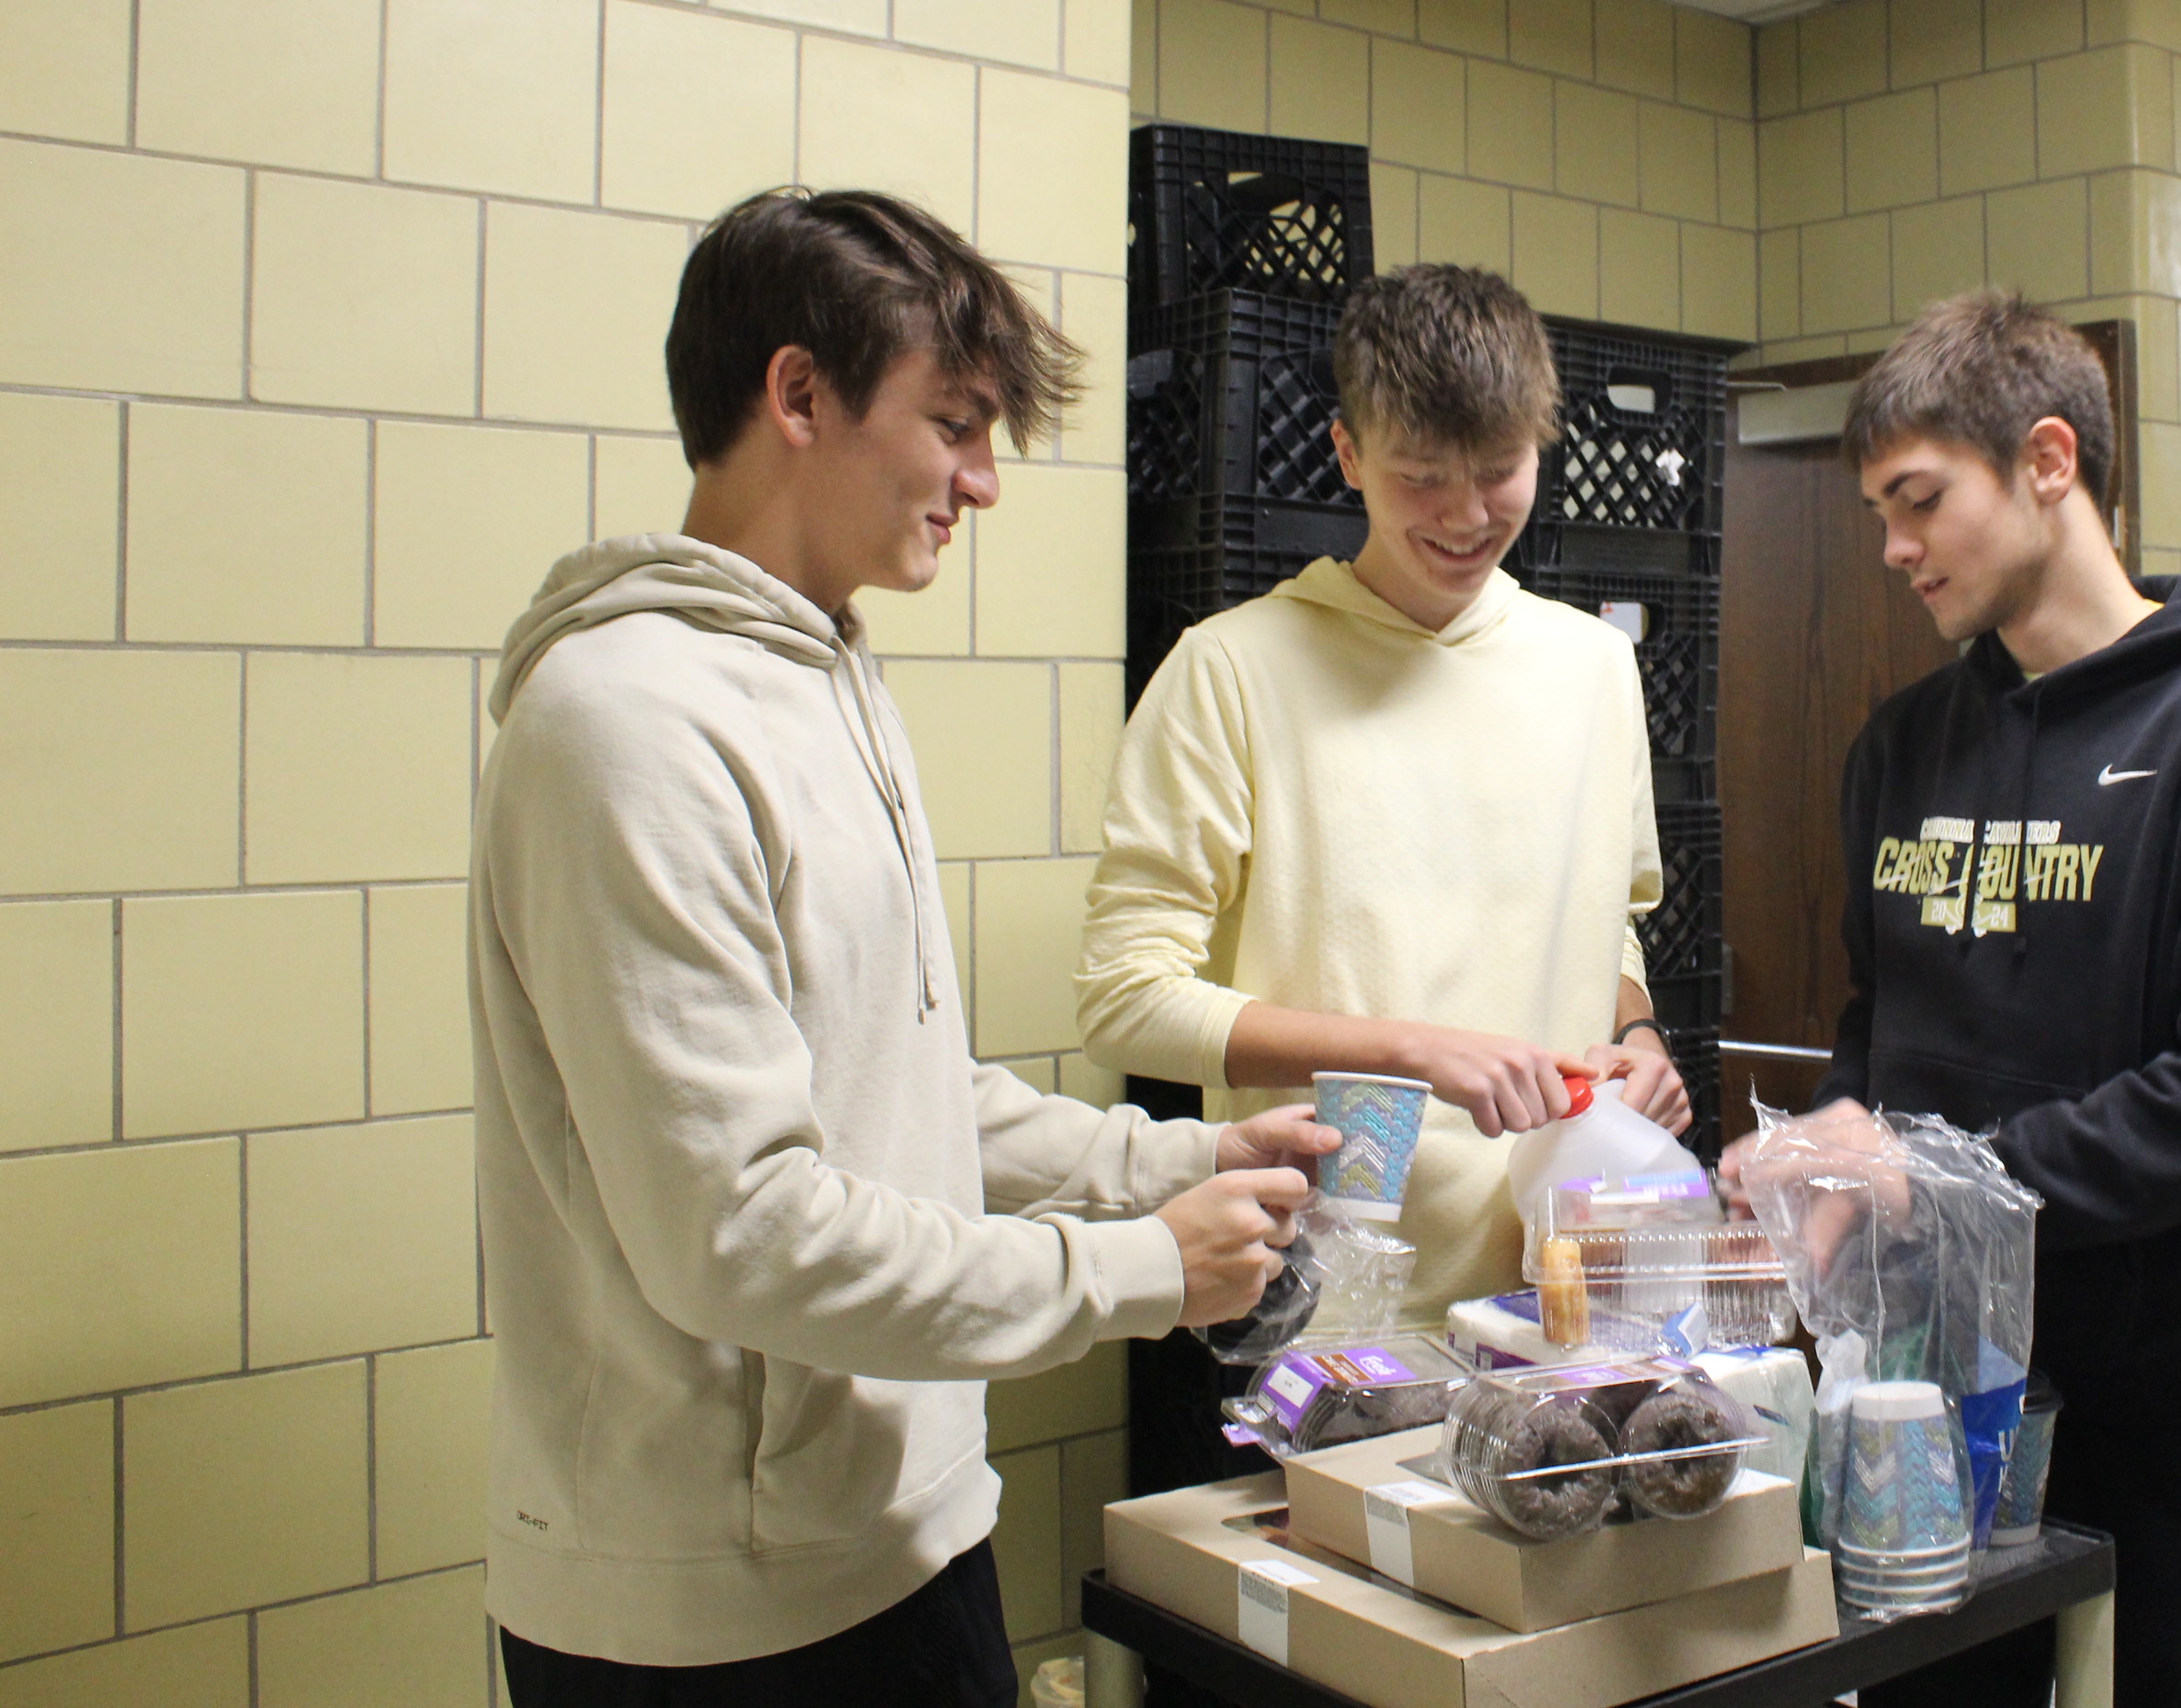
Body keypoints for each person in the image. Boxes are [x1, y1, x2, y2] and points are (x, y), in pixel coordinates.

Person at [472, 188, 1335, 1707]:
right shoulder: (623, 726)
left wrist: (1169, 1168)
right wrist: (1138, 1265)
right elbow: (738, 1224)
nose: (983, 481)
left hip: (908, 1530)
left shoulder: (832, 679)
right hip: (714, 1615)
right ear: (797, 393)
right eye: (956, 423)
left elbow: (911, 1092)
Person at [1735, 290, 2181, 1708]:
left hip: (2175, 1421)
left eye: (1920, 502)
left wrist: (1936, 1174)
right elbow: (1875, 1034)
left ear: (2050, 463)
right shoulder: (1899, 747)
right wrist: (1822, 1155)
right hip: (1928, 1418)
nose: (1892, 551)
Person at [1076, 263, 1685, 1325]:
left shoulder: (1592, 668)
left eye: (1498, 472)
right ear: (1347, 455)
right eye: (1421, 478)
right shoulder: (1233, 669)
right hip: (1330, 1295)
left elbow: (1608, 925)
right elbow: (1124, 1002)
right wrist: (1414, 1052)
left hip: (1563, 1274)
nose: (1464, 515)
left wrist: (1637, 1040)